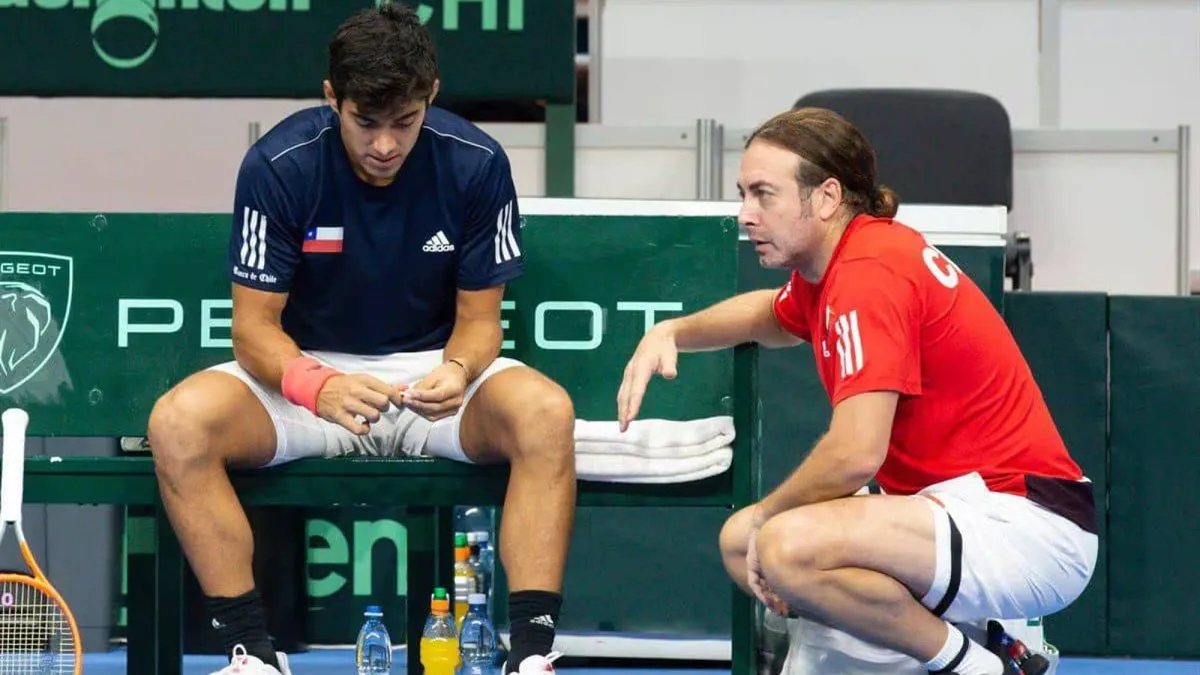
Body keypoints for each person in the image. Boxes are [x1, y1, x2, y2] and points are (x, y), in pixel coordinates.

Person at [146, 5, 576, 674]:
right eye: (365, 122)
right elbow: (254, 328)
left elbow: (481, 321)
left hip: (430, 382)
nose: (384, 145)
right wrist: (316, 383)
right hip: (305, 383)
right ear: (331, 98)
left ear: (430, 96)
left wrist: (459, 369)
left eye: (404, 123)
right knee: (177, 424)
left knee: (547, 413)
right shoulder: (278, 165)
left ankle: (531, 654)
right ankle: (255, 654)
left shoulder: (477, 163)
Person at [616, 107, 1098, 675]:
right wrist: (670, 331)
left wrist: (768, 517)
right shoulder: (844, 263)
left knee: (781, 544)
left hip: (1025, 525)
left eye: (764, 194)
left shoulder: (869, 273)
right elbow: (768, 317)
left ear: (825, 197)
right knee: (740, 540)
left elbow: (853, 455)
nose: (745, 214)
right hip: (957, 510)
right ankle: (984, 639)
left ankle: (974, 663)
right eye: (743, 193)